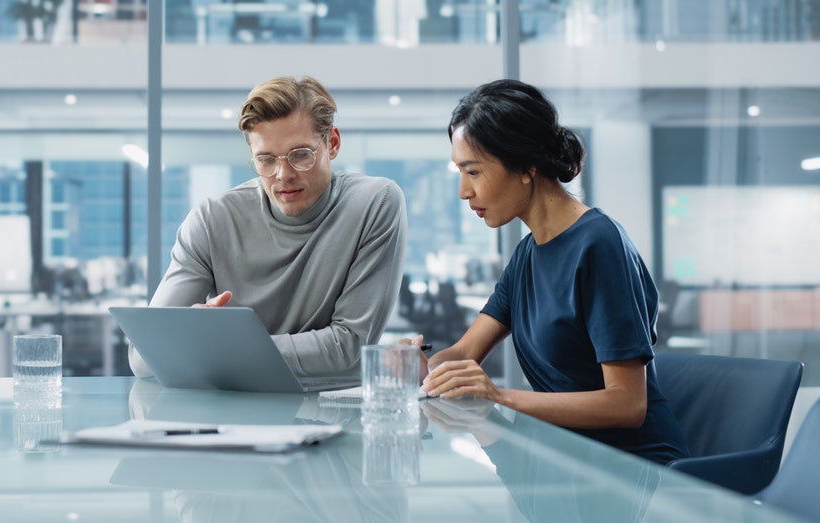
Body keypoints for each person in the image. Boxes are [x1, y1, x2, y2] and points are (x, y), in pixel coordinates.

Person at [420, 79, 689, 465]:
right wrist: (425, 370)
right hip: (564, 458)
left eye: (473, 172)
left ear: (527, 167)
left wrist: (498, 396)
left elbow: (628, 404)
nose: (463, 191)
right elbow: (465, 351)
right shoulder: (528, 254)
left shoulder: (599, 245)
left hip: (634, 470)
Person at [129, 75, 408, 379]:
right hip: (232, 416)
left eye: (301, 155)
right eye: (265, 160)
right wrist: (198, 339)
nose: (283, 174)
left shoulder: (375, 203)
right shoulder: (211, 220)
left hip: (332, 411)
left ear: (333, 143)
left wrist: (212, 349)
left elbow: (349, 348)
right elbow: (144, 357)